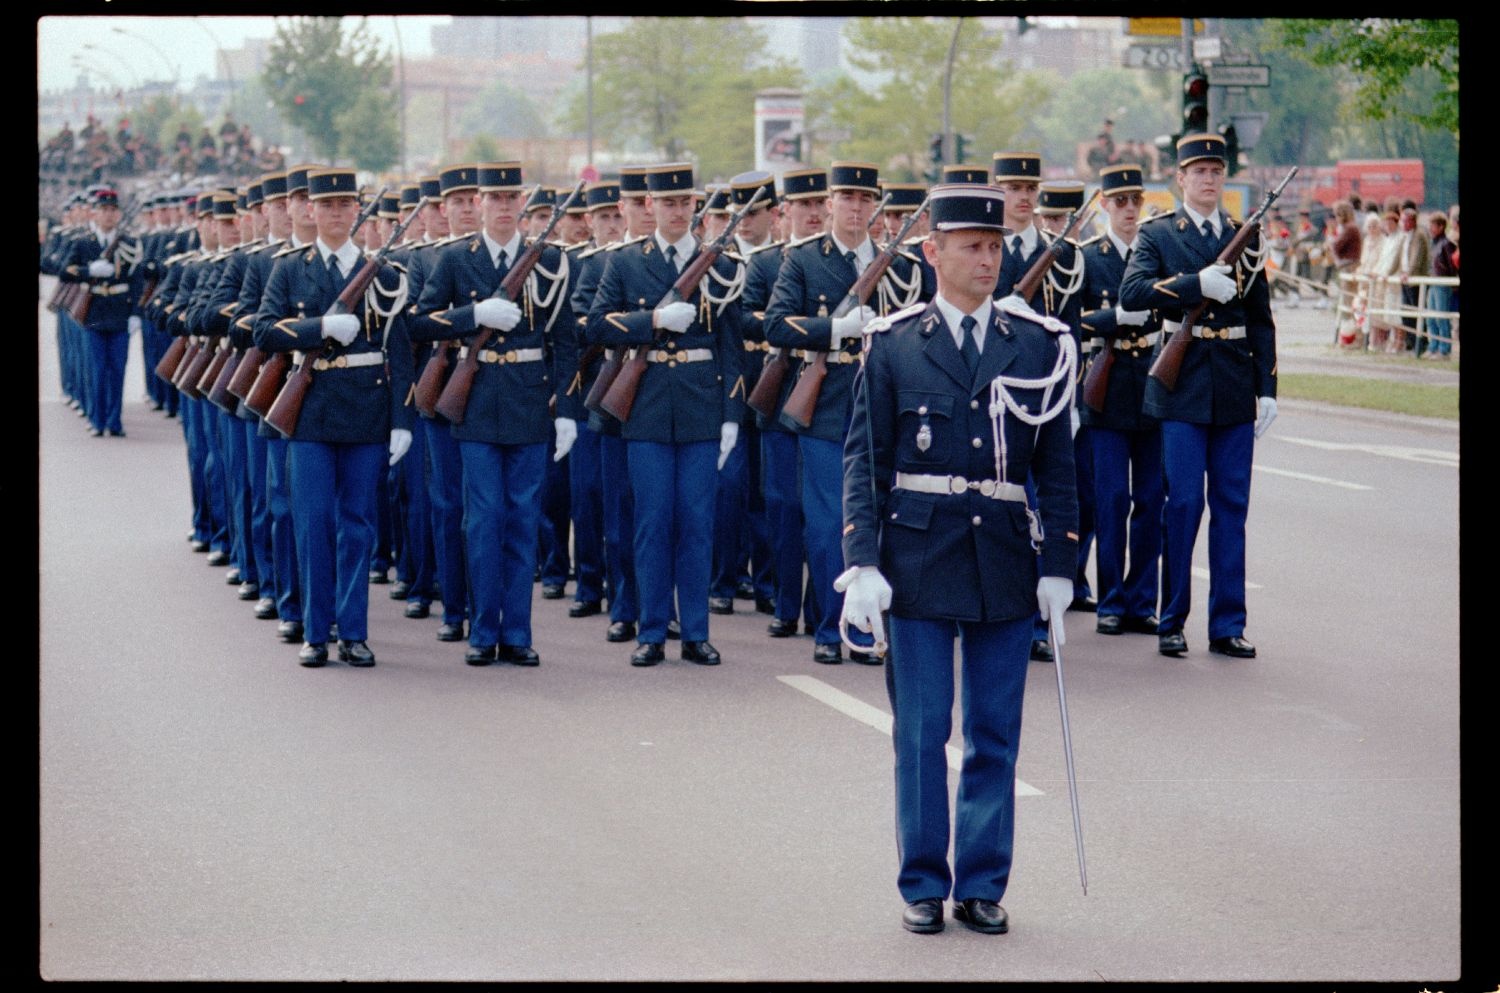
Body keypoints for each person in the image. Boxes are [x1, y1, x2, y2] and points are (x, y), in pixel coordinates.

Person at [840, 182, 1078, 935]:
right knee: (921, 728)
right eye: (972, 246)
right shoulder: (895, 340)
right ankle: (921, 880)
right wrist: (861, 559)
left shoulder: (1037, 342)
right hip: (916, 551)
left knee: (994, 730)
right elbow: (864, 459)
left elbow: (1059, 465)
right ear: (931, 252)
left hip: (1004, 554)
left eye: (997, 245)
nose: (988, 258)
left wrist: (1061, 568)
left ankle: (980, 880)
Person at [251, 167, 416, 668]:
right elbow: (263, 331)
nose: (338, 214)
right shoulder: (289, 269)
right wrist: (318, 326)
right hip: (311, 411)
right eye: (328, 206)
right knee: (313, 522)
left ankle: (355, 631)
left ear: (358, 213)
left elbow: (402, 351)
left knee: (358, 525)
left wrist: (402, 420)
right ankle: (316, 630)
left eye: (347, 206)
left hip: (366, 411)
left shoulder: (386, 275)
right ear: (311, 212)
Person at [1120, 133, 1277, 660]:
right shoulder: (1159, 234)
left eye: (1216, 170)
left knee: (1231, 507)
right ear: (1180, 178)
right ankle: (1171, 620)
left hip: (1232, 385)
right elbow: (1134, 293)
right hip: (1182, 385)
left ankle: (1227, 623)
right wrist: (1195, 283)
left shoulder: (1245, 237)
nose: (1209, 179)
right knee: (1182, 504)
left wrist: (1268, 387)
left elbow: (1261, 319)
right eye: (1199, 170)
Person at [410, 162, 573, 667]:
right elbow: (419, 322)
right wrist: (472, 316)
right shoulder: (458, 259)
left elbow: (565, 340)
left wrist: (565, 410)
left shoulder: (548, 260)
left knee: (523, 520)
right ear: (479, 203)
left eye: (512, 198)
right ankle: (483, 631)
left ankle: (518, 633)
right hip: (475, 403)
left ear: (522, 203)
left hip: (527, 402)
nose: (504, 206)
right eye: (494, 198)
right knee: (483, 520)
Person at [586, 162, 749, 667]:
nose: (678, 211)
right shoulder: (627, 262)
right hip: (647, 405)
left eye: (685, 203)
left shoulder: (718, 263)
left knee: (698, 522)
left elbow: (732, 345)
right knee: (653, 520)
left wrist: (730, 414)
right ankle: (653, 630)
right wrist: (651, 320)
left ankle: (695, 631)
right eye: (669, 203)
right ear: (650, 206)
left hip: (701, 404)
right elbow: (596, 325)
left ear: (695, 207)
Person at [764, 161, 925, 665]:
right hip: (828, 399)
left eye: (864, 199)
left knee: (880, 521)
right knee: (827, 522)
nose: (856, 208)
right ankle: (830, 628)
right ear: (830, 204)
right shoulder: (805, 260)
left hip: (882, 402)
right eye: (846, 198)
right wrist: (835, 331)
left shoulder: (901, 265)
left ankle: (870, 625)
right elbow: (777, 325)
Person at [1077, 164, 1162, 637]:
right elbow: (1079, 319)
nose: (1130, 210)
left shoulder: (1155, 251)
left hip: (1151, 385)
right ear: (1104, 205)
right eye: (1120, 202)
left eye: (1136, 201)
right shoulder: (1090, 257)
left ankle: (1141, 600)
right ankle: (1110, 598)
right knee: (1110, 499)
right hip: (1105, 389)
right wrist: (1117, 316)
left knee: (1151, 500)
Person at [58, 186, 145, 438]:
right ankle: (96, 419)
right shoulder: (84, 243)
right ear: (95, 213)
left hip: (119, 312)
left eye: (112, 210)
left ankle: (114, 420)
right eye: (104, 210)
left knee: (118, 370)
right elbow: (66, 271)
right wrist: (89, 272)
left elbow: (137, 281)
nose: (108, 215)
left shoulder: (128, 243)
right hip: (93, 313)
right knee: (96, 370)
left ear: (118, 214)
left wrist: (136, 313)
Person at [1426, 212, 1456, 358]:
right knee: (1430, 318)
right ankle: (1434, 346)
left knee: (1441, 317)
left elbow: (1452, 267)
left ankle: (1444, 349)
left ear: (1441, 226)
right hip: (1433, 283)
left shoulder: (1447, 244)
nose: (1430, 228)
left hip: (1442, 285)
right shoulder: (1433, 243)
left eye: (1433, 225)